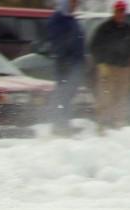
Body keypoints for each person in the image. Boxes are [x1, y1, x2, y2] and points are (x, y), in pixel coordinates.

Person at [46, 0, 86, 135]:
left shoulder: (70, 19)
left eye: (76, 3)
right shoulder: (59, 18)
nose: (75, 5)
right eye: (72, 3)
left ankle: (64, 123)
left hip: (74, 64)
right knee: (63, 95)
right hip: (64, 64)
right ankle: (59, 125)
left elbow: (77, 40)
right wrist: (64, 58)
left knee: (68, 95)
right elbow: (56, 40)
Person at [90, 0, 130, 132]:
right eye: (118, 11)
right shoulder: (105, 28)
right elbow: (94, 46)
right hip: (108, 67)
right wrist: (101, 63)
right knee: (106, 96)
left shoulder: (127, 29)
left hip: (124, 68)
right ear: (114, 12)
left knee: (121, 96)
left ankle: (118, 123)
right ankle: (102, 123)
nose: (120, 14)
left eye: (122, 11)